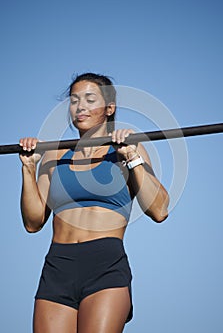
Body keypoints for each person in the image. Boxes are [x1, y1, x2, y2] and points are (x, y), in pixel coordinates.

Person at [19, 72, 169, 333]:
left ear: (109, 108)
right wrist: (28, 169)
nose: (80, 107)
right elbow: (32, 223)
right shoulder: (54, 154)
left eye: (90, 99)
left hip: (105, 264)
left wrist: (132, 158)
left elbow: (159, 210)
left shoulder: (126, 150)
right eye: (75, 100)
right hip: (58, 265)